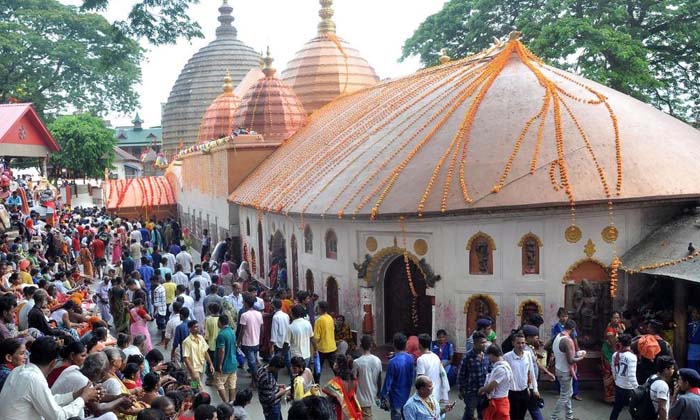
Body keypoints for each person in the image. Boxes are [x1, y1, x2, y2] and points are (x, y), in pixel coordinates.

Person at [0, 336, 99, 419]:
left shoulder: (19, 370)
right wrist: (83, 398)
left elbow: (48, 400)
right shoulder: (33, 378)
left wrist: (76, 395)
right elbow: (57, 417)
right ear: (53, 363)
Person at [550, 319, 586, 420]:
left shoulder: (558, 336)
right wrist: (582, 357)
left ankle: (569, 416)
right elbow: (571, 360)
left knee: (567, 393)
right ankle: (553, 417)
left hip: (559, 368)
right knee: (564, 396)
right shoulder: (567, 340)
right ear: (573, 329)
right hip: (565, 371)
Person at [503, 332, 538, 420]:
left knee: (521, 416)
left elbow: (531, 372)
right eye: (518, 343)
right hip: (511, 392)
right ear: (513, 343)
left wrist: (535, 389)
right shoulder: (507, 357)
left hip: (524, 391)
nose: (521, 345)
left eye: (523, 343)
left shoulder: (527, 354)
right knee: (513, 415)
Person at [381, 332, 415, 420]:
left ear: (394, 345)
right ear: (405, 345)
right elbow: (412, 376)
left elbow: (388, 382)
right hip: (407, 394)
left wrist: (383, 396)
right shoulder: (410, 358)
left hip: (396, 397)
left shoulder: (393, 362)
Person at [459, 331, 491, 420]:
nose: (484, 344)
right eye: (482, 343)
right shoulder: (467, 356)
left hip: (484, 391)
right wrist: (461, 389)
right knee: (469, 414)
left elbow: (490, 370)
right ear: (475, 343)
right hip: (471, 391)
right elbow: (461, 374)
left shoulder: (487, 355)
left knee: (483, 414)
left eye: (485, 342)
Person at [551, 308, 582, 401]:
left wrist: (577, 349)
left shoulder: (570, 325)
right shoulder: (556, 327)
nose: (564, 318)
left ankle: (575, 393)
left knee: (574, 371)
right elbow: (553, 340)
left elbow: (575, 338)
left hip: (570, 349)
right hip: (560, 351)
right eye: (562, 316)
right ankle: (561, 391)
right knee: (560, 370)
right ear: (558, 316)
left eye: (566, 316)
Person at [479, 344, 514, 420]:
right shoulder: (503, 366)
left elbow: (490, 387)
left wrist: (482, 389)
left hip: (499, 402)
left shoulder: (501, 369)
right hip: (500, 401)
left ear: (491, 355)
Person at [323, 354, 362, 419]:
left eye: (335, 362)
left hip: (341, 412)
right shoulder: (354, 379)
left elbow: (325, 388)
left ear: (338, 365)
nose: (334, 363)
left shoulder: (336, 381)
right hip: (353, 410)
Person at [353, 335, 382, 419]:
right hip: (373, 391)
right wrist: (379, 393)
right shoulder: (377, 360)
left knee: (365, 415)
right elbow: (379, 379)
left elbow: (355, 378)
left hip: (361, 393)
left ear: (361, 346)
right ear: (371, 346)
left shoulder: (357, 362)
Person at [609, 333, 638, 420]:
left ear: (620, 344)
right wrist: (637, 388)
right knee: (634, 410)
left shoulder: (615, 355)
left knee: (616, 408)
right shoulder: (632, 357)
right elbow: (631, 375)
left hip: (619, 385)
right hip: (629, 388)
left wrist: (616, 380)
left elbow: (613, 370)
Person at [416, 333, 450, 404]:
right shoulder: (435, 357)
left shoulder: (421, 359)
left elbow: (421, 379)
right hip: (436, 392)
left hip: (427, 394)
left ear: (420, 345)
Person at [238, 294, 263, 385]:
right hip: (256, 341)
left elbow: (242, 331)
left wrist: (238, 342)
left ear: (246, 303)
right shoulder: (259, 314)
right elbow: (261, 328)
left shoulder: (244, 315)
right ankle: (254, 379)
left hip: (247, 342)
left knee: (251, 362)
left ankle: (256, 378)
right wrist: (260, 339)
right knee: (253, 361)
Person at [182, 320, 214, 390]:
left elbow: (205, 352)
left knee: (195, 387)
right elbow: (186, 358)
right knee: (198, 387)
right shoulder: (187, 342)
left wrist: (210, 364)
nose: (197, 328)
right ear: (190, 329)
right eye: (195, 327)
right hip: (193, 368)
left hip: (201, 367)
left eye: (197, 326)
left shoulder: (201, 338)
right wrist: (192, 372)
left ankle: (195, 397)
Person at [602, 311, 625, 403]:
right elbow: (613, 345)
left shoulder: (621, 326)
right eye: (614, 318)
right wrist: (617, 356)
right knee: (609, 374)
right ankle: (609, 397)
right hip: (609, 353)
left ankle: (615, 396)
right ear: (611, 319)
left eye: (618, 317)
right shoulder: (609, 330)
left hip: (617, 352)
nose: (616, 319)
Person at [215, 314, 238, 404]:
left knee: (219, 382)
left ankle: (226, 402)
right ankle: (231, 402)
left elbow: (222, 350)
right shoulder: (232, 332)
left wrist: (219, 364)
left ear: (220, 322)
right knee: (232, 383)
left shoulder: (221, 334)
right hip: (232, 362)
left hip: (225, 363)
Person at [256, 355, 287, 420]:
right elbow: (269, 398)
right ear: (275, 367)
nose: (278, 371)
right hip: (272, 406)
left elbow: (266, 386)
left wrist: (277, 385)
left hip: (264, 403)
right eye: (278, 369)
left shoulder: (261, 369)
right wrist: (281, 392)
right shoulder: (268, 378)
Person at [313, 300, 336, 383]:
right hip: (332, 346)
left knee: (317, 369)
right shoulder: (330, 318)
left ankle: (316, 385)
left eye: (318, 307)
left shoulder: (319, 320)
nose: (317, 309)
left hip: (322, 348)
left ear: (321, 309)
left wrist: (315, 349)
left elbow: (316, 337)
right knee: (334, 367)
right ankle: (341, 383)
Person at [270, 298, 291, 377]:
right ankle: (292, 376)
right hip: (286, 341)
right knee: (287, 360)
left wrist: (272, 345)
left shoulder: (275, 317)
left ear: (273, 306)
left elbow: (274, 332)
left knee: (276, 362)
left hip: (278, 343)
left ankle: (274, 380)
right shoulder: (286, 315)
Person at [153, 276, 167, 344]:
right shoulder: (162, 287)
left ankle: (163, 340)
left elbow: (156, 302)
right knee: (162, 324)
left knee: (162, 325)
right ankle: (163, 339)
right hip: (163, 308)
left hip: (159, 310)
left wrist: (155, 312)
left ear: (154, 281)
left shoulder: (156, 290)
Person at [688, 307, 700, 373]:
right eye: (693, 312)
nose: (694, 315)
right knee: (691, 367)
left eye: (697, 313)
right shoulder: (688, 324)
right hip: (691, 349)